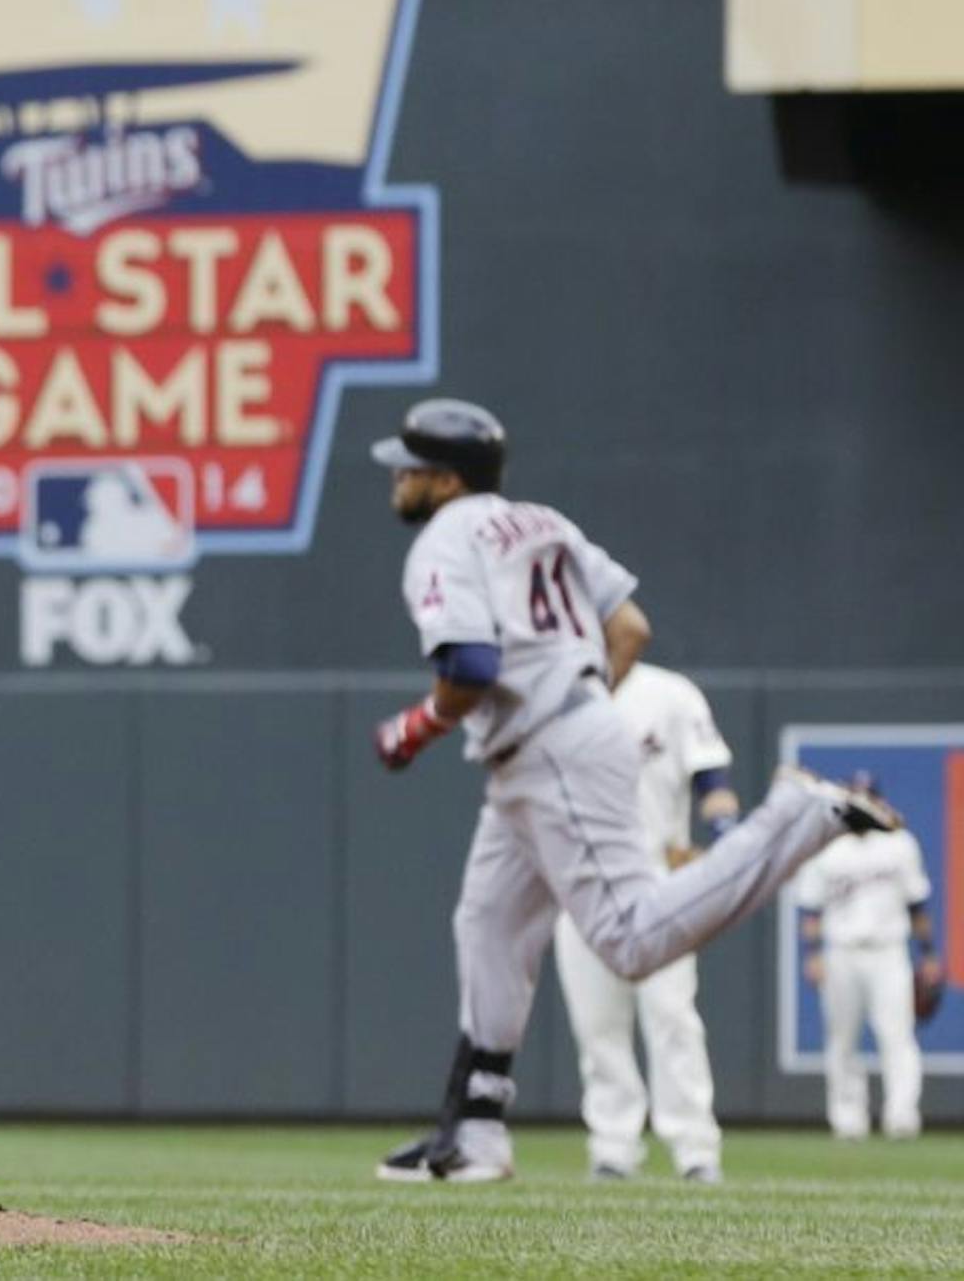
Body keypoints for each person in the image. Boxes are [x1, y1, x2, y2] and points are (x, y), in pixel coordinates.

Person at [364, 398, 898, 1185]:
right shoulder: (543, 520)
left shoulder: (445, 538)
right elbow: (633, 628)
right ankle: (475, 1131)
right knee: (488, 924)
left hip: (547, 744)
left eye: (409, 467)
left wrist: (414, 727)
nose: (398, 479)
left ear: (444, 479)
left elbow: (471, 668)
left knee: (630, 938)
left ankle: (799, 818)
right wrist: (579, 695)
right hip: (554, 740)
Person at [551, 662, 738, 1183]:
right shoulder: (554, 692)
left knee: (672, 1015)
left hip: (657, 877)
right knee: (597, 1024)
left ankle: (696, 1149)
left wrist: (725, 839)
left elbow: (712, 777)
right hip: (582, 879)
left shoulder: (670, 693)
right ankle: (613, 1148)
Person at [796, 778, 944, 1141]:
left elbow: (917, 904)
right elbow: (811, 910)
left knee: (897, 1035)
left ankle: (902, 1115)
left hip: (888, 951)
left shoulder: (899, 844)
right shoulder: (826, 847)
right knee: (842, 1039)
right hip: (841, 951)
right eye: (857, 800)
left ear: (880, 803)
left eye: (869, 799)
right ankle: (848, 1119)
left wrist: (928, 953)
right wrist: (811, 954)